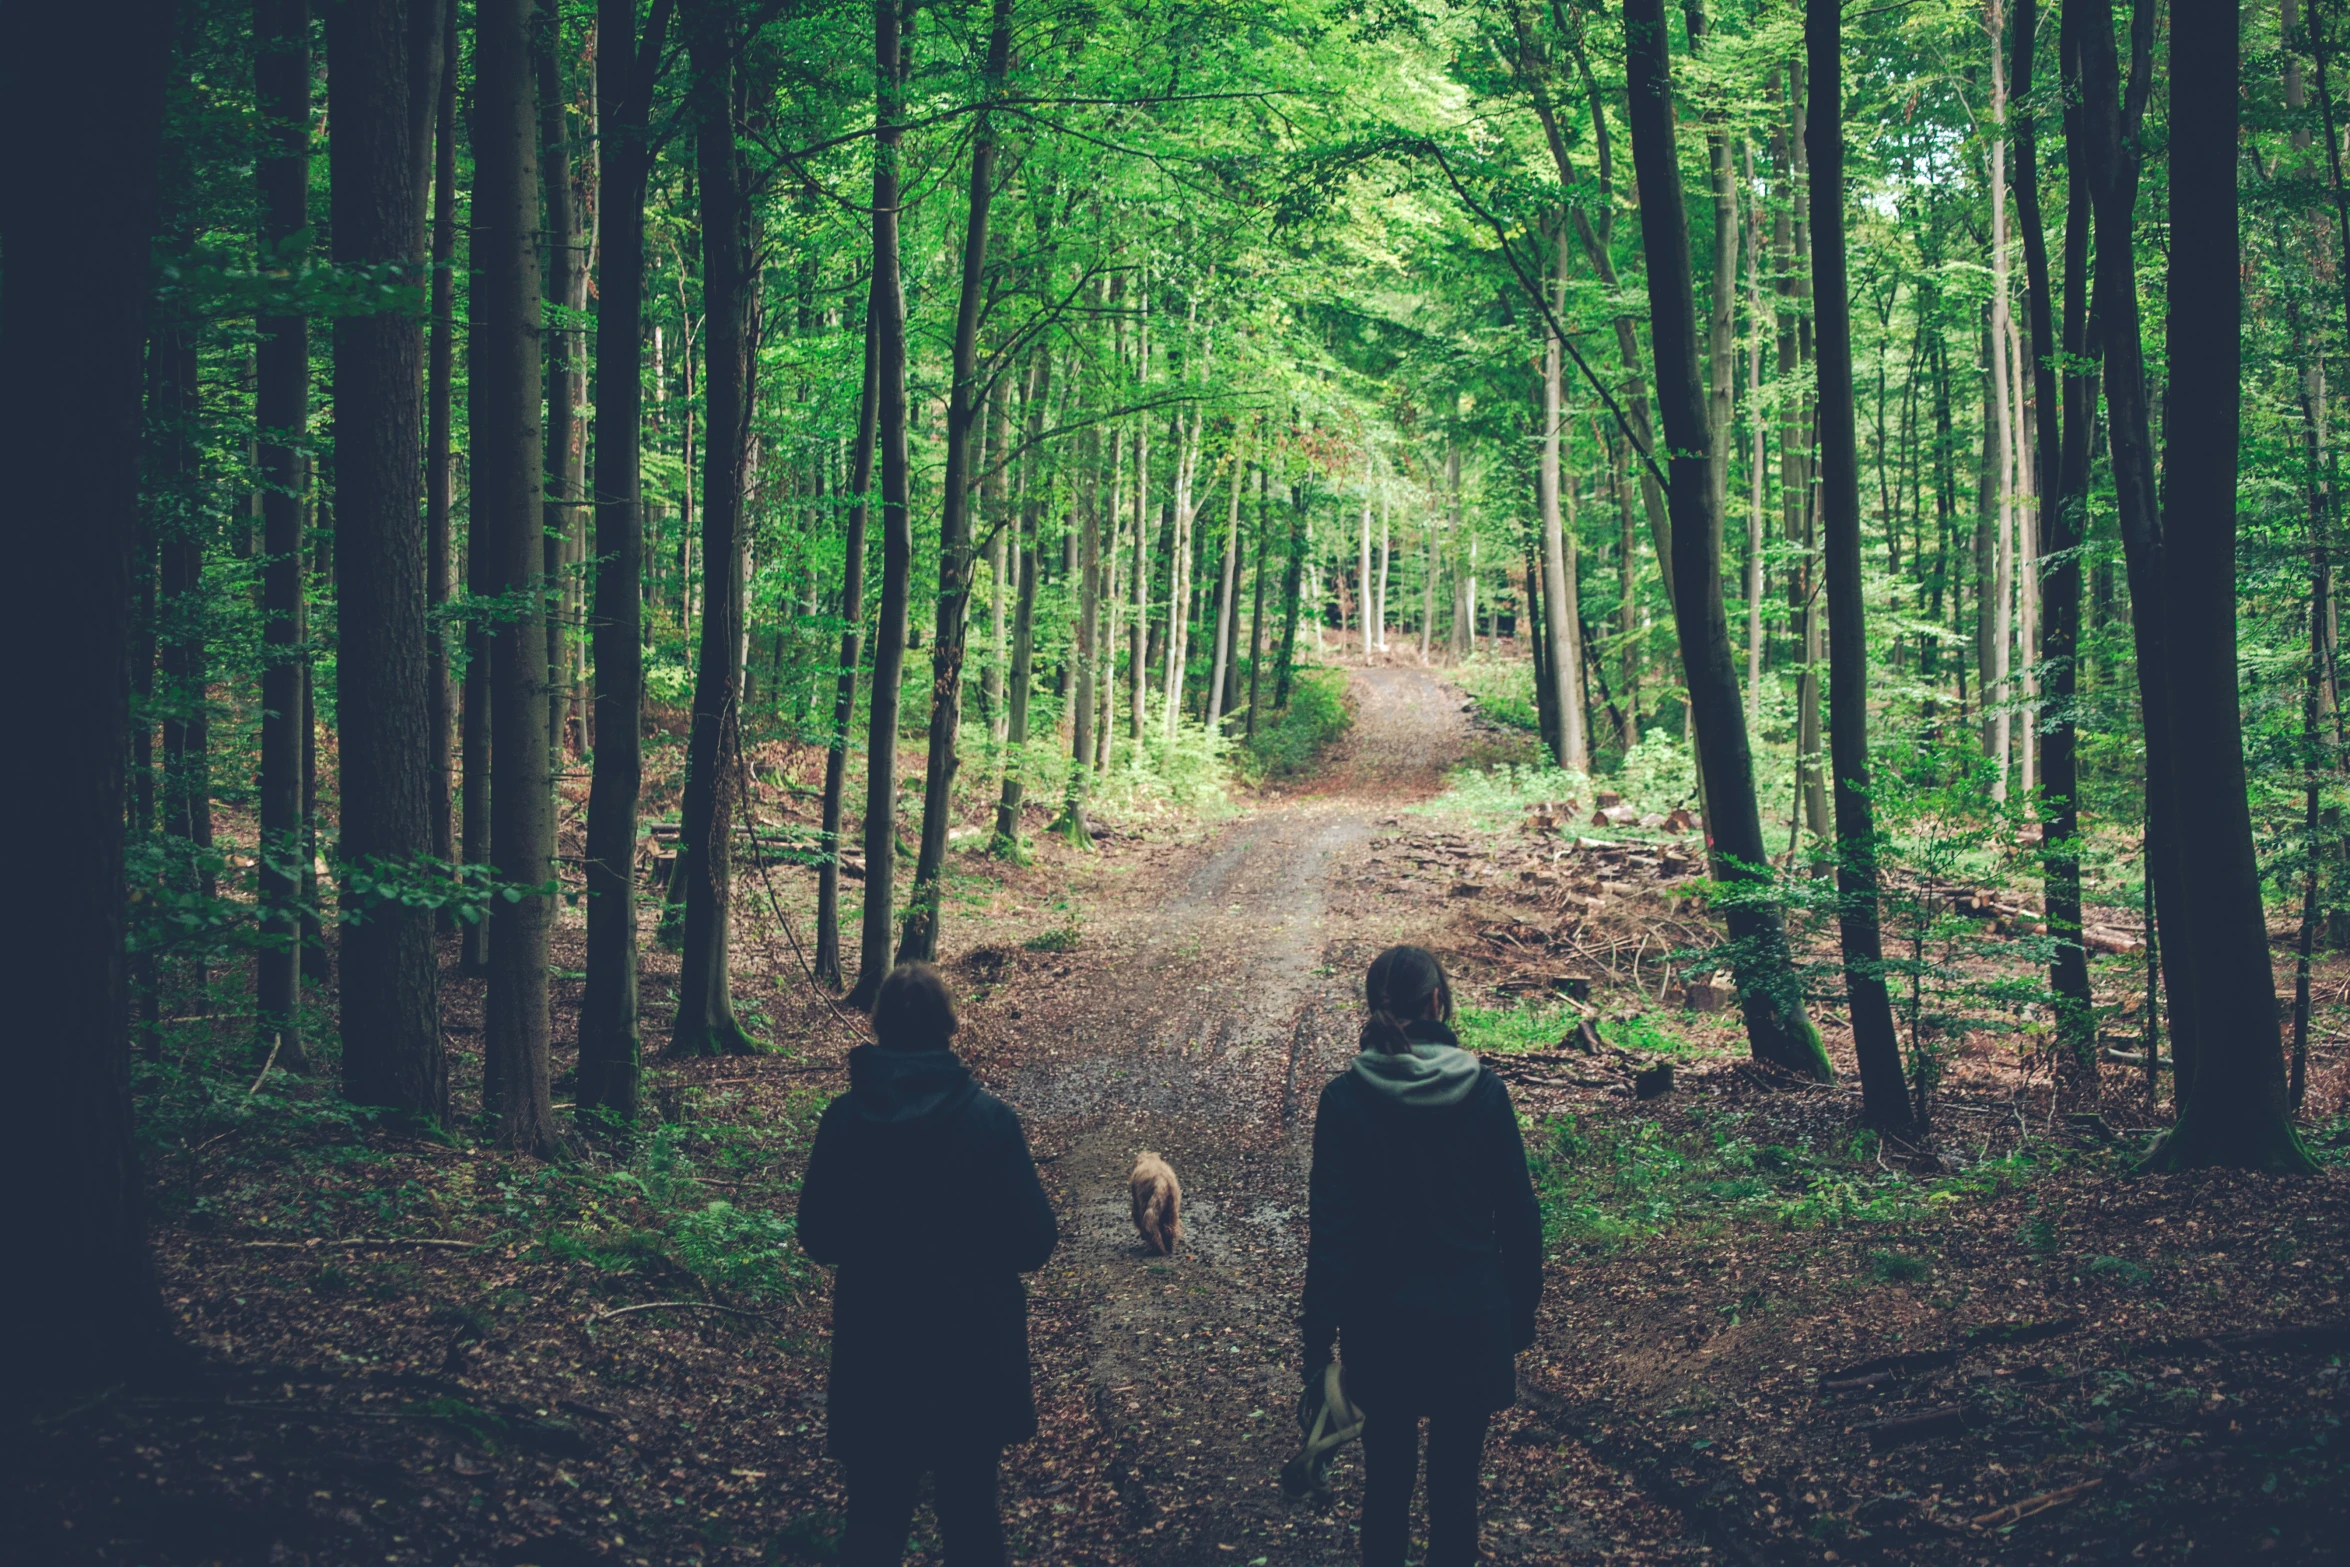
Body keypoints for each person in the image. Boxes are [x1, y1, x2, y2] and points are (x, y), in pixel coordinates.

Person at [797, 962, 1058, 1566]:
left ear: (879, 1027)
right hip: (970, 1360)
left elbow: (818, 1236)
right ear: (950, 1028)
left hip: (874, 1356)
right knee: (971, 1520)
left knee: (872, 1525)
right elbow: (1035, 1242)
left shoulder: (844, 1120)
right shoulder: (990, 1122)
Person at [1301, 944, 1544, 1567]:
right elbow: (1519, 1216)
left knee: (1385, 1489)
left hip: (1380, 1329)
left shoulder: (1345, 1099)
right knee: (1456, 1495)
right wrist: (1519, 1318)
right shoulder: (1485, 1092)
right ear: (1438, 1002)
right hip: (1471, 1321)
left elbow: (1330, 1235)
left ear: (1374, 1007)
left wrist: (1315, 1347)